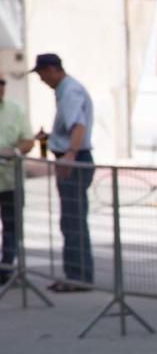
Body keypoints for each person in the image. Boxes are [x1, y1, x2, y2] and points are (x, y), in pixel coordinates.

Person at [32, 53, 95, 292]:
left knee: (73, 220)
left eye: (42, 74)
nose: (41, 80)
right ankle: (76, 273)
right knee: (72, 219)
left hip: (74, 160)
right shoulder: (67, 90)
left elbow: (78, 125)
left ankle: (77, 275)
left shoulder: (69, 91)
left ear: (52, 70)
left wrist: (69, 153)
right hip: (73, 157)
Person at [0, 74, 35, 286]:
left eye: (2, 84)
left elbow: (28, 140)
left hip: (10, 179)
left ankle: (7, 267)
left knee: (12, 225)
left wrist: (13, 151)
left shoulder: (15, 110)